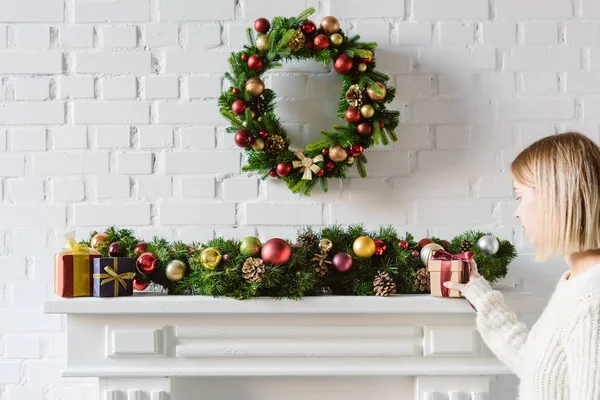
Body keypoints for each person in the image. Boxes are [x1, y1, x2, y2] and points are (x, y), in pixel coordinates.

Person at [444, 132, 600, 399]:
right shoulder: (576, 282)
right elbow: (538, 368)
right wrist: (483, 299)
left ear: (555, 197)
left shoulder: (591, 302)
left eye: (520, 196)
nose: (517, 212)